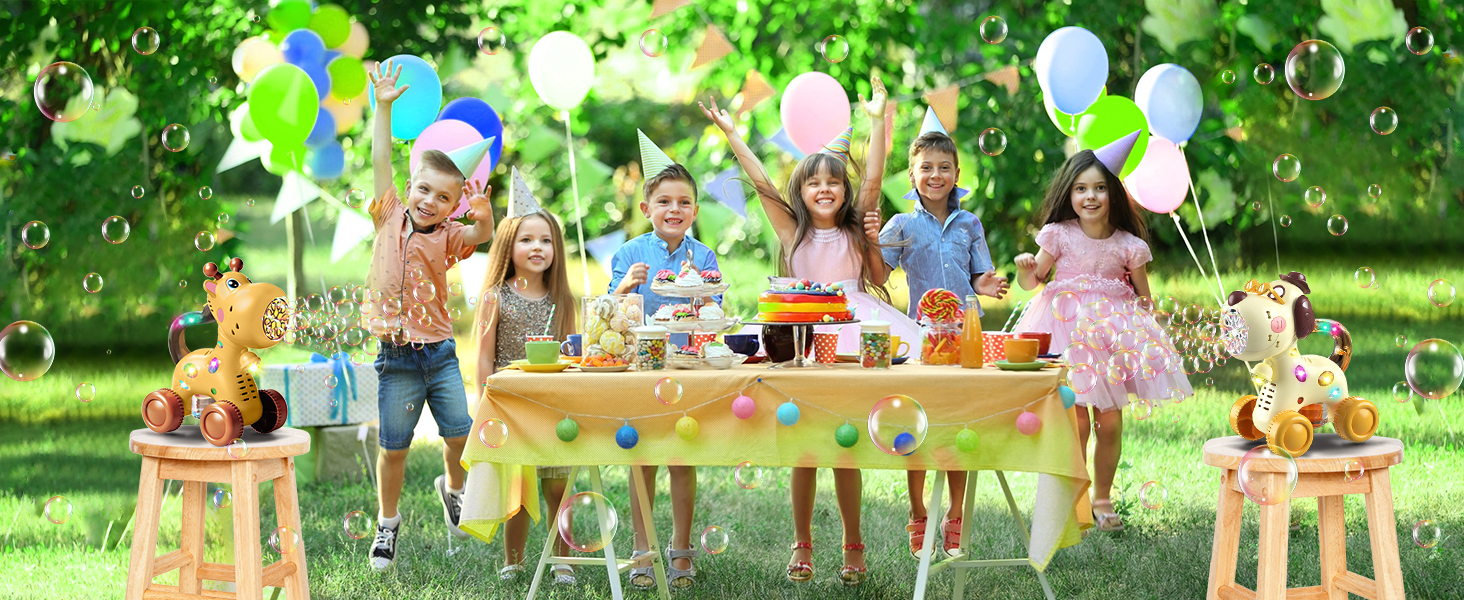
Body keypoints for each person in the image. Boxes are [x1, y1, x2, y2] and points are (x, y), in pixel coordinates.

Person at [701, 73, 900, 586]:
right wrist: (732, 134)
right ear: (802, 191)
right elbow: (761, 183)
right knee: (805, 446)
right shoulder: (793, 232)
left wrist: (877, 121)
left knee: (846, 441)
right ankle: (802, 542)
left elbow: (875, 175)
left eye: (834, 181)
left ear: (845, 190)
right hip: (803, 339)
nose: (825, 188)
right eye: (814, 182)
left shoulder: (857, 227)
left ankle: (853, 545)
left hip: (852, 330)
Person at [1012, 131, 1193, 532]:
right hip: (1067, 333)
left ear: (1113, 194)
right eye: (1080, 188)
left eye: (1099, 188)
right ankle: (1074, 496)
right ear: (1069, 193)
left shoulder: (1129, 245)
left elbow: (1144, 300)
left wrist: (1150, 335)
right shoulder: (1058, 233)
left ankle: (1103, 498)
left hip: (1112, 338)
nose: (1089, 197)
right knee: (1076, 421)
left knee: (1109, 422)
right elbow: (1034, 281)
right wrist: (1026, 270)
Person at [365, 59, 497, 571]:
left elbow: (481, 235)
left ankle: (454, 489)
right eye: (423, 190)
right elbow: (380, 157)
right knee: (394, 447)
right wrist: (383, 107)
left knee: (459, 433)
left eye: (444, 197)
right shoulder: (388, 215)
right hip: (396, 358)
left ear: (453, 205)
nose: (429, 201)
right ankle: (387, 523)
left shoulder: (449, 237)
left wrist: (483, 217)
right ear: (409, 185)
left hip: (438, 355)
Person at [874, 108, 1010, 557]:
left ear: (956, 174)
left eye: (944, 167)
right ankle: (918, 514)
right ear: (912, 175)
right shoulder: (900, 225)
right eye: (926, 167)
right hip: (922, 338)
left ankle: (955, 515)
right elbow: (877, 274)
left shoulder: (970, 224)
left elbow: (979, 274)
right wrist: (869, 240)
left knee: (958, 426)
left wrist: (986, 285)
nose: (936, 175)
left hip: (965, 336)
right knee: (916, 427)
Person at [607, 130, 713, 589]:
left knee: (682, 457)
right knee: (642, 457)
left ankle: (682, 547)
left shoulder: (703, 256)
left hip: (687, 367)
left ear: (694, 211)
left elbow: (711, 311)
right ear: (647, 208)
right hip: (641, 368)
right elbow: (608, 313)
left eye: (684, 202)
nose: (674, 209)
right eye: (664, 201)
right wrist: (624, 286)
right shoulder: (629, 253)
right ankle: (642, 548)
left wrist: (705, 301)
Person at [473, 168, 580, 583]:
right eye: (527, 239)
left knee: (557, 486)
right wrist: (486, 401)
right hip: (512, 408)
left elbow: (571, 353)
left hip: (554, 403)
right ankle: (513, 561)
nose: (537, 247)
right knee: (516, 490)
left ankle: (563, 559)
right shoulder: (495, 297)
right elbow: (484, 358)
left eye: (546, 240)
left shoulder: (562, 298)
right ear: (508, 245)